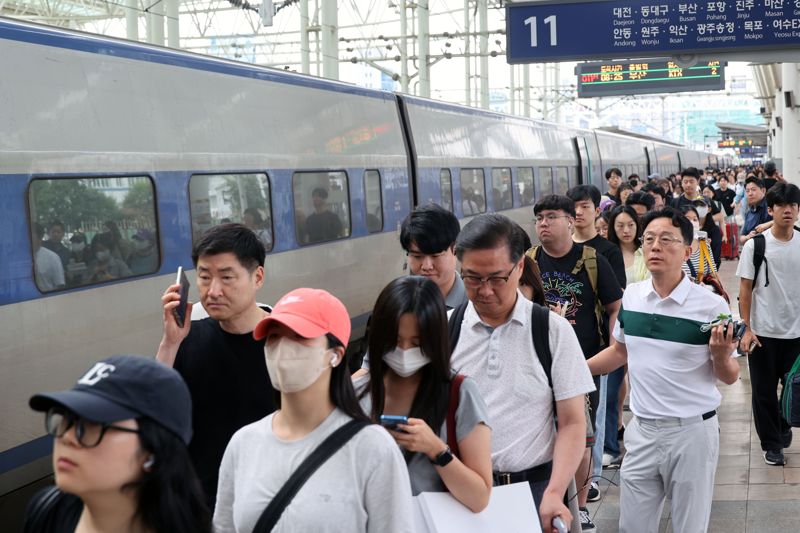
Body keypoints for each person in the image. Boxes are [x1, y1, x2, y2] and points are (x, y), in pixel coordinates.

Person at [587, 207, 739, 533]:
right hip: (642, 430)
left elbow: (729, 376)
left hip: (692, 434)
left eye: (666, 239)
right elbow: (619, 352)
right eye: (649, 239)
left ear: (686, 250)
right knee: (633, 526)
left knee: (689, 526)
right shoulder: (633, 297)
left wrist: (721, 354)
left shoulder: (711, 306)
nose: (655, 246)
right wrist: (572, 372)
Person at [214, 288, 413, 533]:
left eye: (299, 336)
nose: (282, 348)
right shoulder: (243, 443)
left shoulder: (373, 449)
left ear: (336, 355)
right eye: (274, 336)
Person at [450, 213, 595, 531]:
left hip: (533, 491)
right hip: (459, 496)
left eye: (496, 278)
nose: (484, 290)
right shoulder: (444, 330)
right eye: (472, 278)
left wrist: (556, 492)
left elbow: (572, 422)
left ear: (519, 267)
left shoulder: (551, 331)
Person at [156, 223, 276, 505]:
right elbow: (155, 412)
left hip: (266, 499)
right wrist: (170, 343)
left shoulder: (283, 343)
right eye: (204, 277)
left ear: (257, 277)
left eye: (226, 277)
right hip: (201, 501)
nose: (213, 291)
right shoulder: (187, 338)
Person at [24, 355, 211, 533]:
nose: (67, 437)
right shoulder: (49, 511)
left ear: (152, 451)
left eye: (94, 424)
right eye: (66, 418)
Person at [355, 277, 493, 511]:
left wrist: (435, 449)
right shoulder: (357, 393)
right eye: (395, 341)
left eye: (417, 343)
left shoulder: (460, 394)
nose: (404, 351)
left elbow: (479, 497)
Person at [530, 195, 623, 531]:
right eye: (539, 217)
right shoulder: (529, 261)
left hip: (585, 363)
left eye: (551, 216)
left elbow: (614, 306)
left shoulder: (593, 260)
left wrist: (614, 347)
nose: (543, 223)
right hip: (539, 366)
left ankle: (581, 505)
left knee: (583, 436)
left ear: (570, 220)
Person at [737, 182, 800, 466]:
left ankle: (784, 422)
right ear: (771, 210)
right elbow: (745, 289)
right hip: (763, 333)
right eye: (782, 206)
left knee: (792, 387)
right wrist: (747, 328)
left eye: (793, 206)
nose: (788, 211)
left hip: (796, 332)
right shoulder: (756, 245)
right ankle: (772, 444)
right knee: (763, 392)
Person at [400, 203, 466, 310]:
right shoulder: (399, 304)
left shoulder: (475, 304)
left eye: (435, 256)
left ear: (455, 250)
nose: (426, 266)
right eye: (417, 256)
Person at [567, 185, 626, 289]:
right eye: (573, 207)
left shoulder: (610, 250)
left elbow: (618, 291)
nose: (578, 212)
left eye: (585, 206)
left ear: (597, 211)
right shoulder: (562, 247)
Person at [608, 206, 648, 286]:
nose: (626, 230)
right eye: (620, 226)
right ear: (613, 227)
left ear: (636, 225)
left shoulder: (647, 250)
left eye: (630, 225)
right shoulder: (608, 255)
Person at [31, 222, 65, 291]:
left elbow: (60, 285)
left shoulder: (52, 258)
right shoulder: (18, 258)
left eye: (30, 236)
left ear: (40, 237)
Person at [740, 177, 772, 246]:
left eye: (753, 190)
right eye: (747, 191)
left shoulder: (771, 206)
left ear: (763, 190)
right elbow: (741, 238)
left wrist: (768, 224)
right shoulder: (748, 212)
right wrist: (747, 237)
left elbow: (788, 222)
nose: (750, 193)